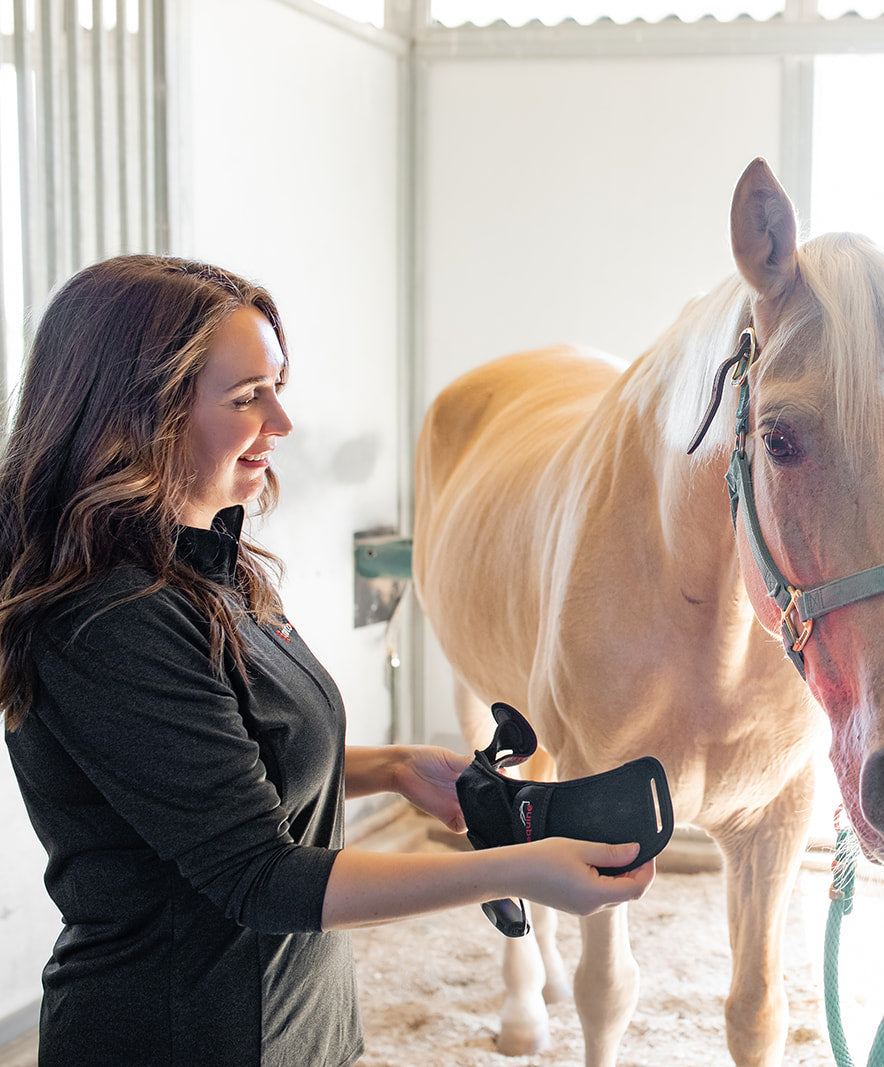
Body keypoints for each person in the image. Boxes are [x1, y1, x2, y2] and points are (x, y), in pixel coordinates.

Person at [0, 254, 655, 1066]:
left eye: (278, 384)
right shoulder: (106, 619)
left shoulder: (211, 564)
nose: (282, 420)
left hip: (292, 1025)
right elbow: (261, 876)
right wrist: (518, 870)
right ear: (138, 414)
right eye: (248, 396)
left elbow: (228, 765)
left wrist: (394, 766)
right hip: (181, 1033)